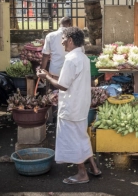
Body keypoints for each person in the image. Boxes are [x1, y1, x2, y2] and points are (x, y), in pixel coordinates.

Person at [37, 27, 101, 184]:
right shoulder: (82, 58)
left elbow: (63, 86)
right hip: (81, 105)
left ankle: (82, 173)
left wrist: (46, 76)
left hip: (71, 106)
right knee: (81, 136)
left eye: (64, 38)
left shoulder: (71, 59)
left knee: (73, 139)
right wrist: (51, 75)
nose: (62, 41)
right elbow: (70, 78)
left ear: (70, 40)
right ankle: (94, 168)